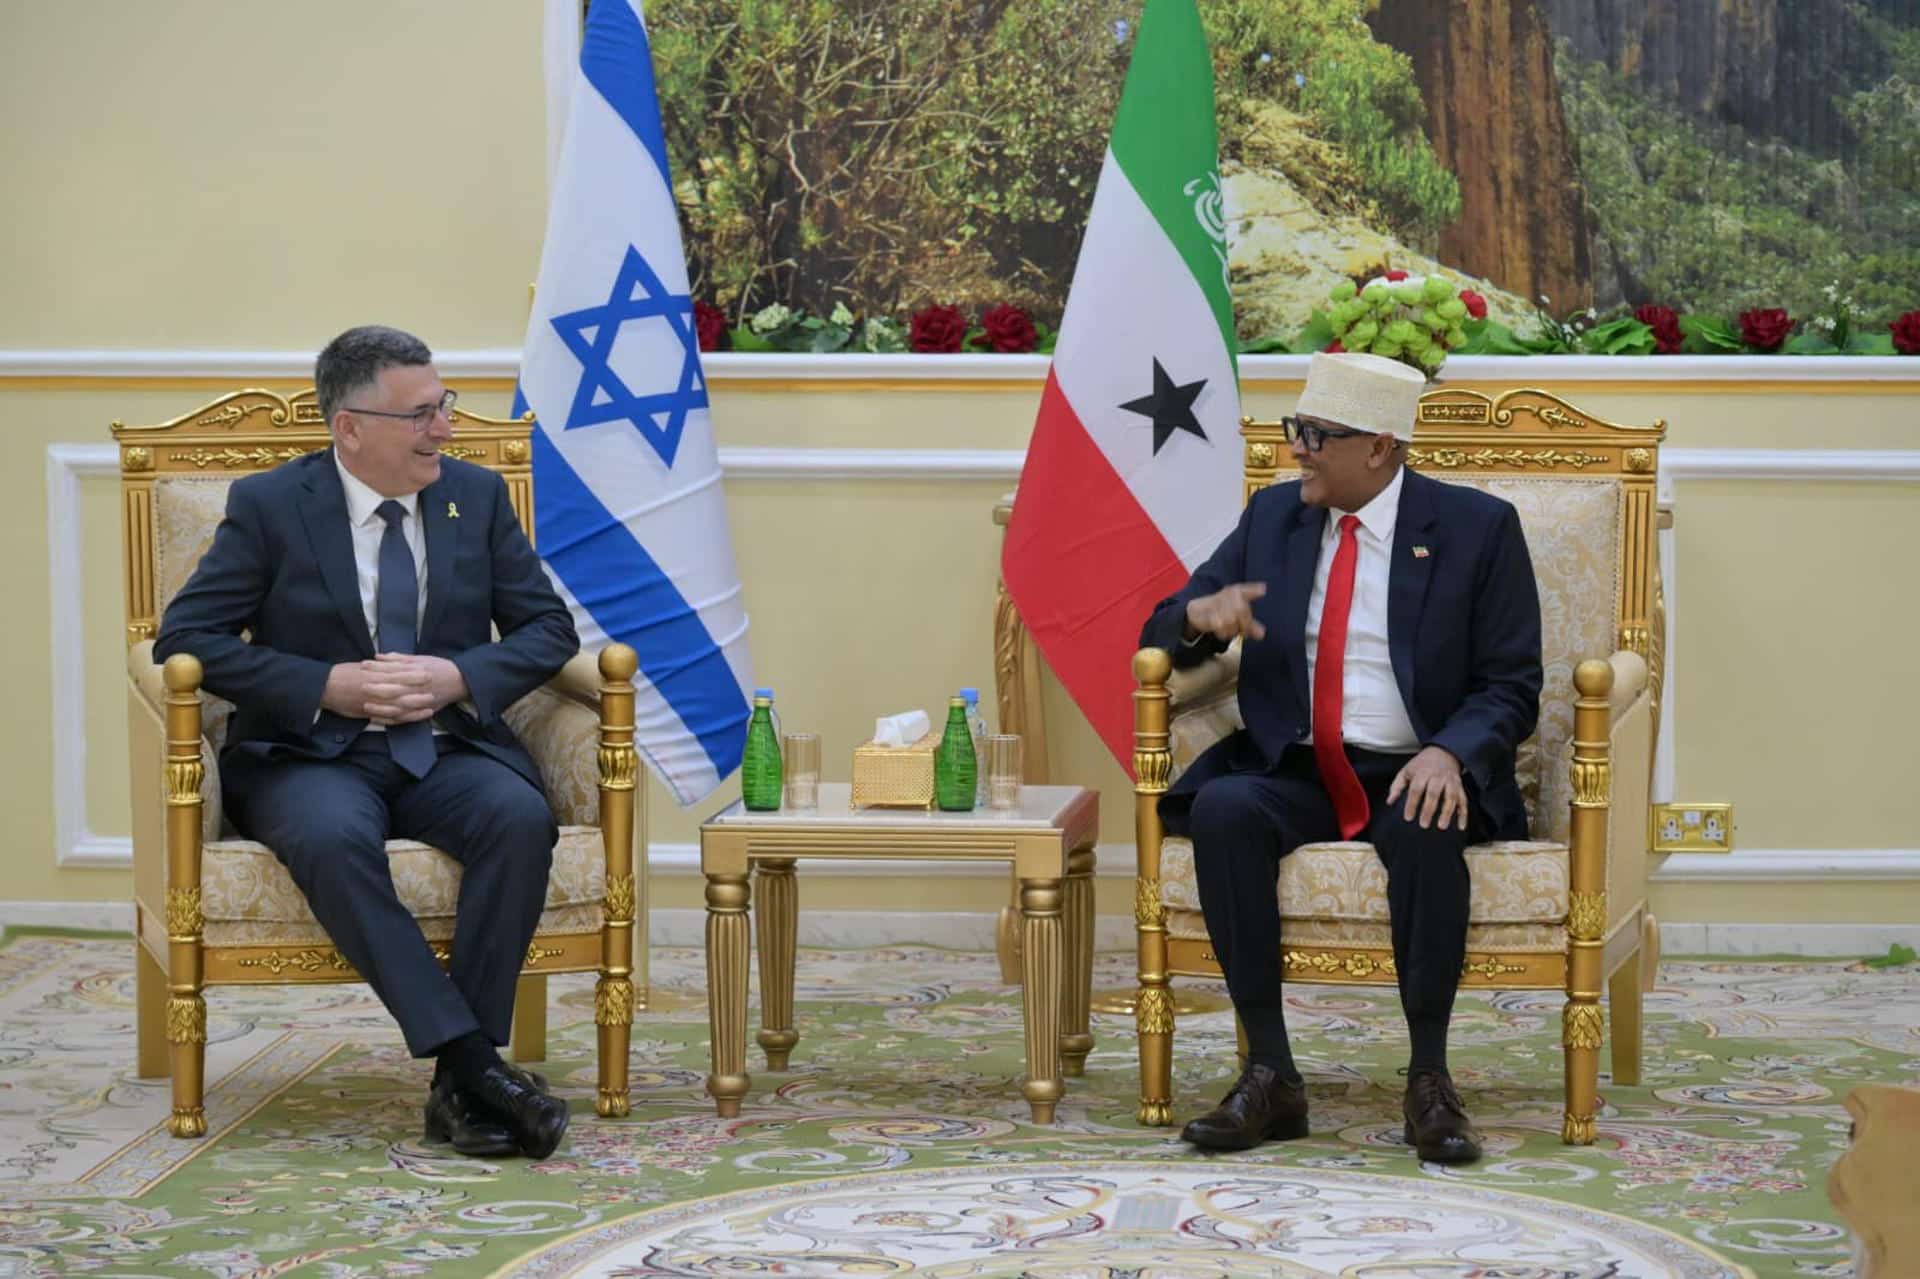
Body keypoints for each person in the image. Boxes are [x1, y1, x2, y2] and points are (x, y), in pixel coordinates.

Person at [155, 325, 579, 1159]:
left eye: (443, 406)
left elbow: (548, 629)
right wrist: (326, 685)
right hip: (310, 753)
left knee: (517, 818)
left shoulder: (476, 498)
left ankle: (459, 1087)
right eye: (420, 415)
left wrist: (457, 677)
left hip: (444, 745)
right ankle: (472, 1065)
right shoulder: (272, 505)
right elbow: (187, 638)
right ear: (350, 426)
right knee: (331, 835)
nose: (445, 430)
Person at [1140, 350, 1542, 1164]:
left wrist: (1451, 753)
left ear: (1381, 447)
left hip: (1411, 765)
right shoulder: (1274, 519)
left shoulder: (1476, 529)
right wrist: (1197, 618)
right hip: (1300, 766)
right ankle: (1271, 1072)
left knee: (1433, 820)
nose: (1299, 450)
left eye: (1318, 435)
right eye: (1298, 430)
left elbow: (1512, 683)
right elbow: (1162, 630)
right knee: (1223, 808)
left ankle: (1429, 1079)